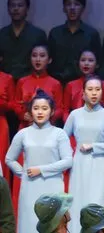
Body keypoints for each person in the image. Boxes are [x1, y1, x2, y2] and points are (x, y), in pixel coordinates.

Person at [5, 90, 73, 233]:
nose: (40, 112)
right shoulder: (23, 133)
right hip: (30, 186)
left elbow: (68, 161)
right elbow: (9, 159)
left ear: (52, 111)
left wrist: (41, 170)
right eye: (36, 109)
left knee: (52, 223)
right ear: (30, 112)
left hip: (53, 186)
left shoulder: (59, 134)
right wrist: (23, 173)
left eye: (44, 108)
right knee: (29, 221)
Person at [63, 76, 104, 233]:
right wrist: (69, 155)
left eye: (97, 89)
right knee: (77, 203)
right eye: (90, 89)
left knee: (97, 203)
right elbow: (61, 138)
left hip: (99, 165)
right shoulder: (75, 115)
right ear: (83, 93)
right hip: (79, 164)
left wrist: (94, 146)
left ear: (102, 92)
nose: (94, 93)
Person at [48, 0, 101, 84]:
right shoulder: (55, 33)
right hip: (58, 82)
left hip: (84, 83)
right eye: (68, 4)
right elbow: (48, 61)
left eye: (77, 4)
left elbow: (98, 63)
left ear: (83, 8)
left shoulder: (91, 34)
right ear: (64, 8)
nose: (72, 8)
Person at [12, 44, 64, 128]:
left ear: (49, 60)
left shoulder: (55, 83)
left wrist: (49, 116)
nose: (38, 59)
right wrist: (23, 114)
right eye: (34, 56)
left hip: (48, 127)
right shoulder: (22, 81)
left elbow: (60, 109)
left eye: (42, 56)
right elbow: (16, 104)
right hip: (26, 127)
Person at [0, 0, 47, 80]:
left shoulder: (38, 34)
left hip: (30, 82)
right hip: (5, 82)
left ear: (27, 9)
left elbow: (44, 63)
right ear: (8, 9)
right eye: (12, 5)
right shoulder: (2, 34)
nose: (16, 9)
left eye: (20, 5)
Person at [62, 50, 104, 119]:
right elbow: (65, 111)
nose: (86, 63)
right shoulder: (70, 85)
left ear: (97, 65)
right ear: (78, 63)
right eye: (83, 60)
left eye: (90, 60)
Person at [0, 66, 14, 180]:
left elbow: (12, 104)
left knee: (1, 157)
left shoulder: (7, 78)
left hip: (0, 123)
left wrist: (1, 102)